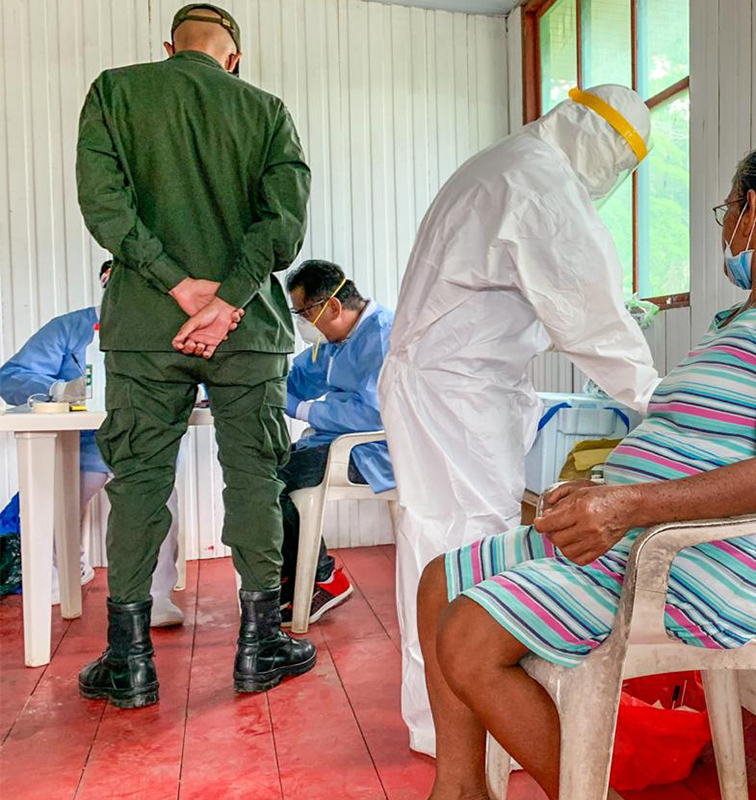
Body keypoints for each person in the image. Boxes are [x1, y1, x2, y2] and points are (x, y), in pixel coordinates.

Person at [417, 140, 756, 799]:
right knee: (439, 582)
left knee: (467, 636)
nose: (724, 228)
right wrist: (601, 493)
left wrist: (624, 505)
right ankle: (459, 789)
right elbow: (692, 441)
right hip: (638, 540)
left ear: (752, 206)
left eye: (725, 210)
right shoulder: (738, 320)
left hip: (705, 564)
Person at [378, 83, 661, 754]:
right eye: (620, 165)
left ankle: (443, 718)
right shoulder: (540, 184)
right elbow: (592, 324)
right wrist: (667, 407)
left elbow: (541, 296)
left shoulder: (509, 161)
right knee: (461, 550)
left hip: (449, 385)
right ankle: (459, 723)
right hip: (455, 394)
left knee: (443, 544)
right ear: (604, 146)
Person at [74, 3, 314, 709]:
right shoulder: (266, 110)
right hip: (249, 331)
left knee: (140, 479)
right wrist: (227, 300)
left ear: (169, 47)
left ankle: (131, 661)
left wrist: (177, 286)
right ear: (232, 56)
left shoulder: (115, 90)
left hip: (146, 325)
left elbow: (104, 205)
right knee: (253, 479)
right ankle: (259, 647)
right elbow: (283, 226)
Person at [0, 263, 183, 627]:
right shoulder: (72, 328)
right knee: (49, 497)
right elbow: (11, 376)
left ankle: (156, 594)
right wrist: (56, 390)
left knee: (159, 500)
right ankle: (59, 571)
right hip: (86, 448)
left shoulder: (166, 328)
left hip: (145, 443)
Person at [279, 260, 394, 626]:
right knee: (263, 471)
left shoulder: (381, 336)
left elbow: (373, 415)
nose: (302, 324)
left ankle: (322, 577)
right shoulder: (337, 341)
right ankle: (304, 576)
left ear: (331, 306)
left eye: (304, 313)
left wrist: (303, 409)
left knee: (273, 479)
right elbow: (298, 375)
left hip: (371, 450)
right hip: (334, 444)